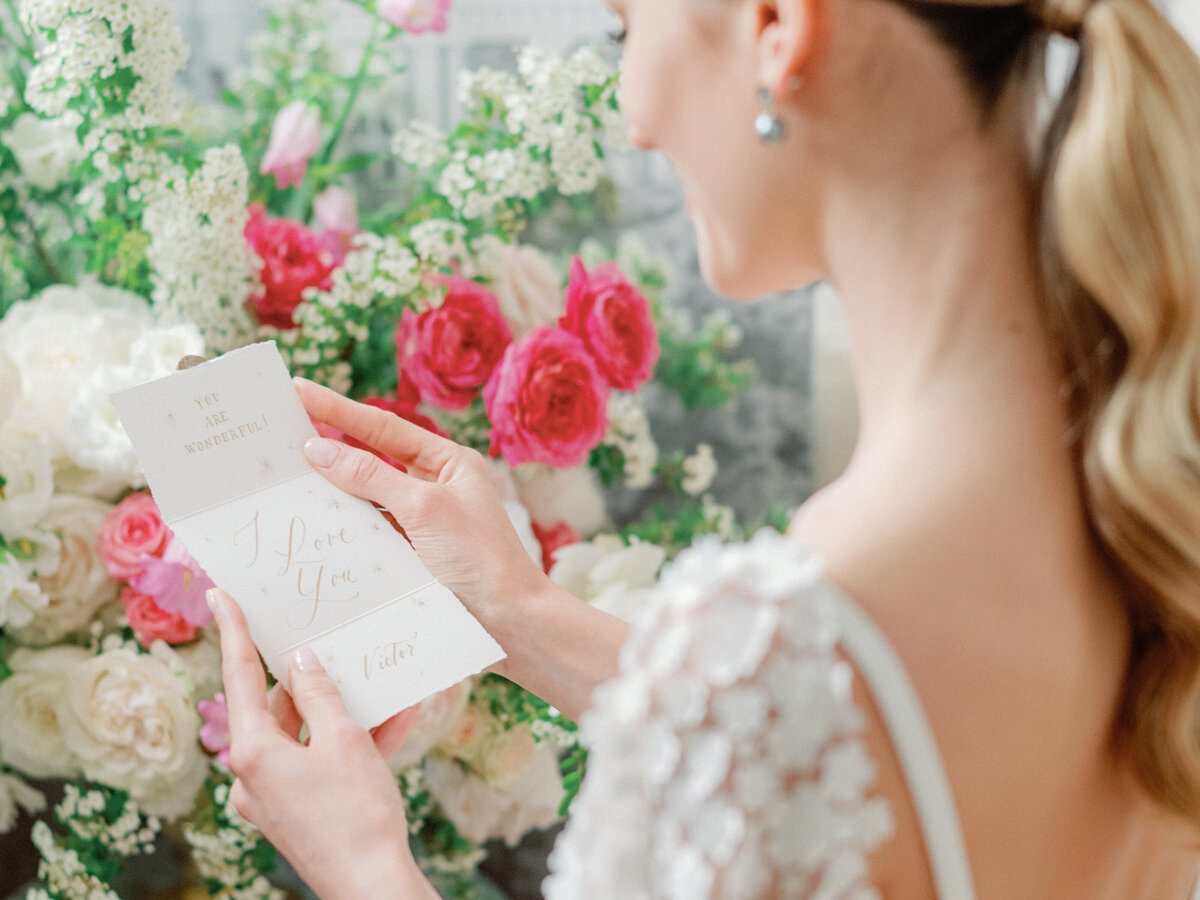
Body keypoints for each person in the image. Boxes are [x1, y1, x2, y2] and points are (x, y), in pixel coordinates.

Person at [207, 0, 1200, 895]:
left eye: (624, 25)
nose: (634, 121)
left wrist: (360, 860)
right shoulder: (1142, 503)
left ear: (778, 26)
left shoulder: (787, 623)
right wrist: (518, 614)